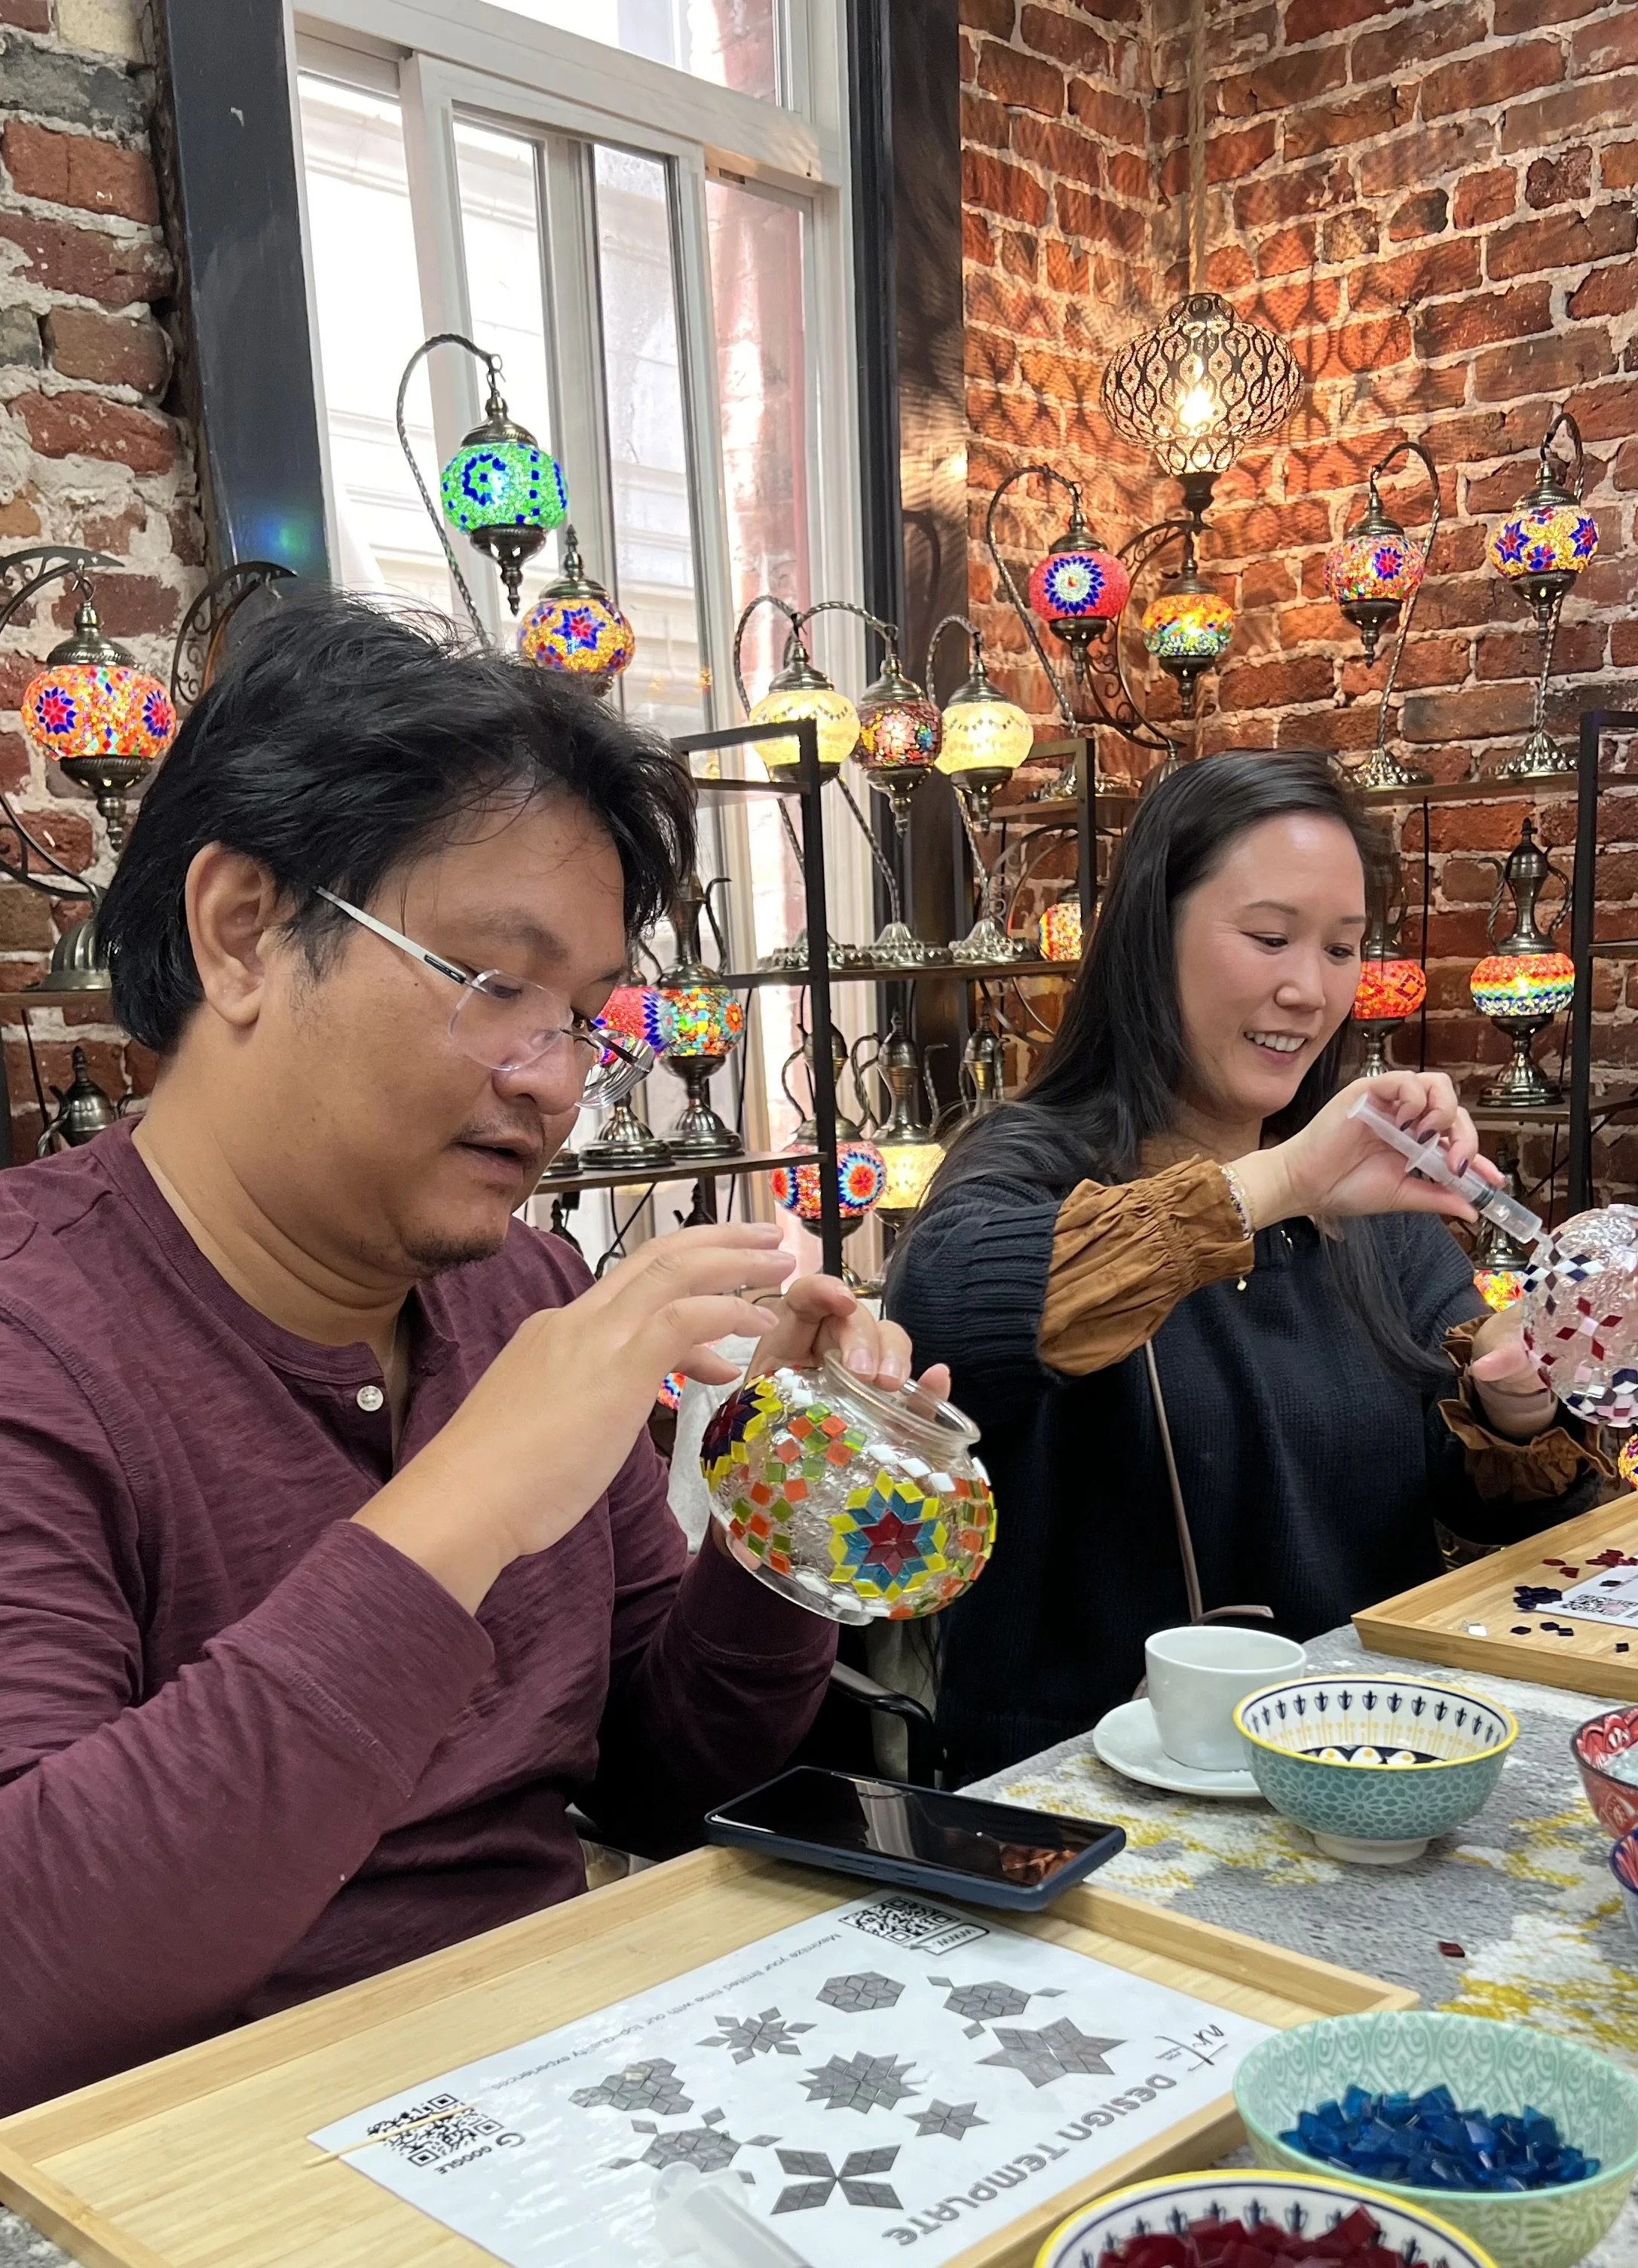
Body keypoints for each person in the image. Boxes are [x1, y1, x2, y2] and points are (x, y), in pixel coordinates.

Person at [0, 600, 947, 2112]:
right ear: (244, 930)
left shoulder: (516, 1295)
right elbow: (31, 1980)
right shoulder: (38, 1337)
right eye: (495, 983)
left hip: (561, 2094)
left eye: (585, 1016)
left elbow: (664, 1778)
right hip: (196, 2197)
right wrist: (480, 1491)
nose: (554, 1080)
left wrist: (784, 1496)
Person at [886, 749, 1598, 1782]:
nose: (1308, 990)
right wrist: (1279, 1184)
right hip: (1083, 1805)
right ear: (1150, 934)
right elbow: (954, 1312)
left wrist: (1523, 1387)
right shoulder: (1028, 1171)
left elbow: (1489, 1500)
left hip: (1356, 1772)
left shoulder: (1366, 1205)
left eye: (1343, 947)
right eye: (1267, 937)